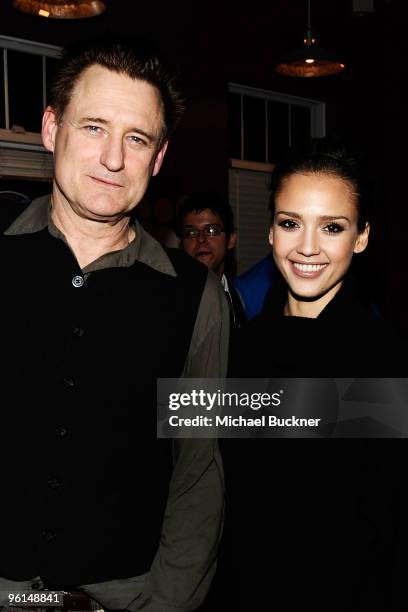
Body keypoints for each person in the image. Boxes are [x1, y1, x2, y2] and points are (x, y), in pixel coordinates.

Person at [0, 37, 228, 612]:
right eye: (94, 127)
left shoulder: (195, 294)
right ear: (53, 129)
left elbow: (198, 464)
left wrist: (168, 598)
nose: (113, 159)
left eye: (136, 138)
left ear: (158, 158)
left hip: (127, 595)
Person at [223, 140, 406, 610]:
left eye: (332, 227)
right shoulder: (239, 348)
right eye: (290, 223)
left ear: (361, 237)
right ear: (270, 232)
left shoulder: (382, 360)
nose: (307, 247)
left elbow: (381, 525)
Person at [176, 191, 246, 329]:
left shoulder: (237, 299)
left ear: (231, 239)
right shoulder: (172, 300)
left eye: (212, 230)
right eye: (191, 232)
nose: (201, 239)